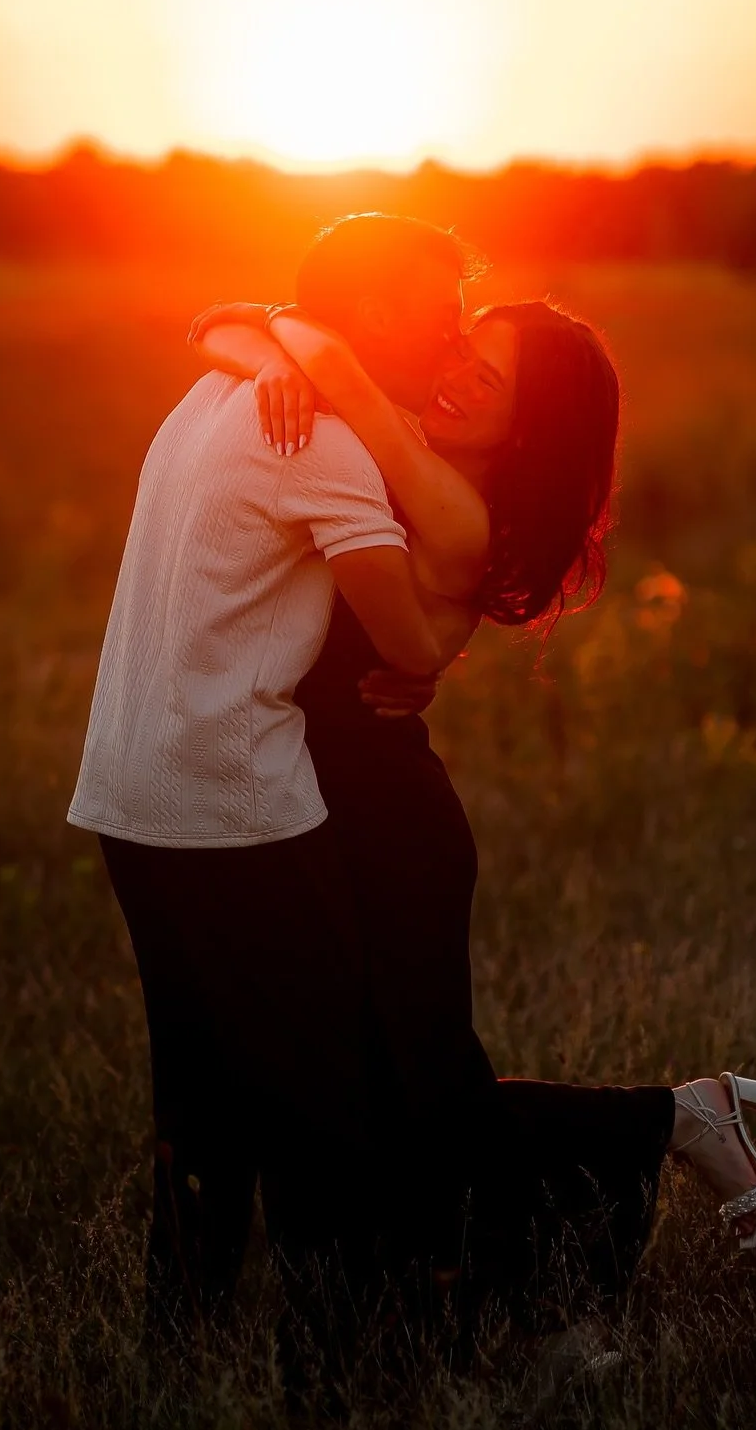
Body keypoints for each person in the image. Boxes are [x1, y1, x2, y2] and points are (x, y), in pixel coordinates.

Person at [187, 268, 756, 1343]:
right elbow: (214, 328)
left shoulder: (454, 497)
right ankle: (514, 1292)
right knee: (382, 1096)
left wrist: (297, 348)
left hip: (391, 831)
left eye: (490, 374)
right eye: (465, 345)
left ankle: (616, 1211)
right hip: (324, 805)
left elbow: (328, 372)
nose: (457, 372)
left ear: (530, 422)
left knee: (423, 1102)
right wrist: (275, 344)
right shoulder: (402, 443)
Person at [69, 213, 469, 1348]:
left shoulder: (210, 401)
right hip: (236, 803)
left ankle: (179, 1345)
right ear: (379, 313)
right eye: (439, 317)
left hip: (128, 794)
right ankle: (342, 1374)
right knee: (320, 1110)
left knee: (194, 1100)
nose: (450, 341)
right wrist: (431, 652)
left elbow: (227, 334)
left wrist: (271, 346)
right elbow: (407, 645)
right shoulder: (323, 445)